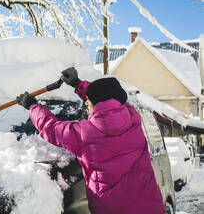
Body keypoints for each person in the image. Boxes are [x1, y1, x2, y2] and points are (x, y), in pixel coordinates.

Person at [16, 67, 165, 214]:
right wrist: (78, 84)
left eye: (88, 100)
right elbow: (112, 98)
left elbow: (51, 128)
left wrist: (32, 106)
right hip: (151, 206)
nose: (86, 103)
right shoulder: (133, 117)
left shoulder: (86, 133)